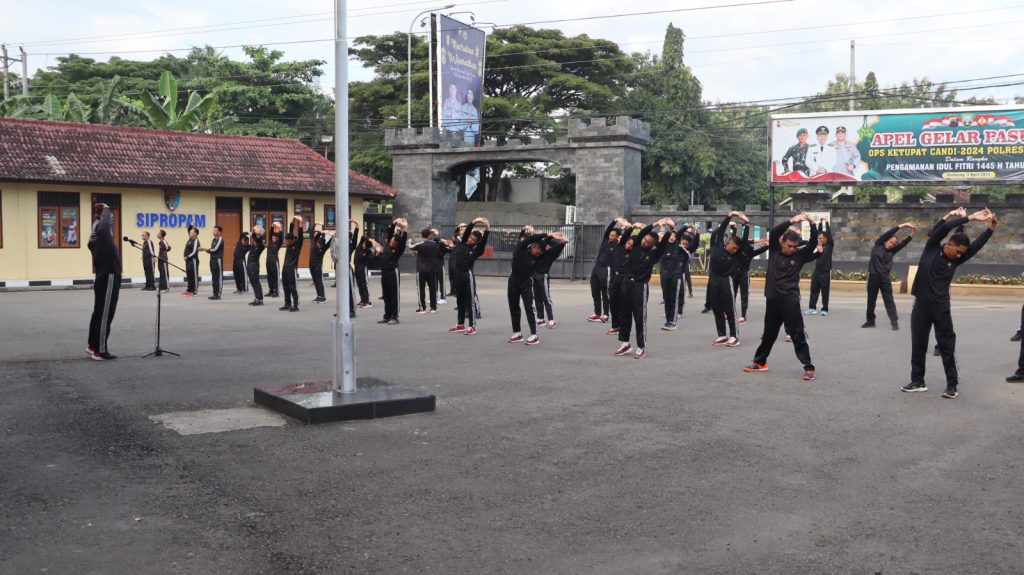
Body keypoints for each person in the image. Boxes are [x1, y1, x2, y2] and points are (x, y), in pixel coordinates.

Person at [902, 208, 996, 398]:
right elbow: (945, 227)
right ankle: (918, 381)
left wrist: (990, 229)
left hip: (941, 308)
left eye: (963, 253)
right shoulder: (932, 247)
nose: (960, 255)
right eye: (959, 251)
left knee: (947, 346)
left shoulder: (956, 260)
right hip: (920, 305)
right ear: (950, 244)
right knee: (918, 345)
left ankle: (952, 385)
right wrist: (969, 218)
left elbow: (976, 246)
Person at [743, 213, 821, 380]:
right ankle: (760, 362)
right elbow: (776, 231)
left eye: (795, 246)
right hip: (772, 300)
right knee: (769, 333)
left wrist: (813, 224)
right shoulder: (774, 250)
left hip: (790, 300)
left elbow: (813, 243)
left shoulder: (799, 256)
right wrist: (791, 221)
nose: (792, 249)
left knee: (797, 334)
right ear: (782, 242)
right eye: (790, 245)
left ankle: (808, 366)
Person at [613, 218, 673, 359]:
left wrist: (670, 230)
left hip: (640, 287)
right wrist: (656, 224)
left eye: (648, 242)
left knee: (640, 317)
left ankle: (641, 347)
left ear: (653, 244)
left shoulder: (653, 255)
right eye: (644, 239)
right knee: (624, 315)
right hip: (626, 283)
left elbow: (663, 244)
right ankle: (625, 343)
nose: (644, 242)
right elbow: (642, 232)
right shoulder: (636, 247)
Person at [506, 226, 555, 345]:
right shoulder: (521, 248)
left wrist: (559, 241)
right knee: (514, 308)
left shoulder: (537, 256)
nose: (538, 255)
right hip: (513, 282)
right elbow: (530, 239)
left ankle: (534, 335)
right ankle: (517, 333)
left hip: (526, 283)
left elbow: (551, 253)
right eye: (538, 252)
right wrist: (546, 234)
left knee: (529, 309)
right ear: (534, 247)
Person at [864, 221, 916, 330]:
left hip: (885, 279)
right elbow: (889, 232)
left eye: (893, 244)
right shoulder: (878, 244)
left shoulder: (892, 251)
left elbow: (903, 244)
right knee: (871, 300)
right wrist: (903, 225)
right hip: (873, 276)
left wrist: (911, 235)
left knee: (889, 300)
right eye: (890, 242)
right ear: (886, 240)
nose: (891, 244)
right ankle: (870, 321)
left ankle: (894, 322)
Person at [707, 212, 748, 347]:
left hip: (726, 281)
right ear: (728, 242)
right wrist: (730, 216)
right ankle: (722, 335)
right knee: (717, 308)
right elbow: (722, 229)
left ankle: (734, 336)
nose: (735, 250)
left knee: (729, 309)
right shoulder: (717, 245)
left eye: (737, 249)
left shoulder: (736, 256)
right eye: (734, 247)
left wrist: (746, 225)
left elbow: (744, 242)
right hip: (713, 280)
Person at [87, 203, 121, 360]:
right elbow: (104, 226)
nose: (110, 230)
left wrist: (99, 215)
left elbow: (102, 226)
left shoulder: (95, 241)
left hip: (103, 277)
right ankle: (100, 350)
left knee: (99, 313)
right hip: (109, 277)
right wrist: (107, 209)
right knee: (105, 314)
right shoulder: (103, 238)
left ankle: (93, 346)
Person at [448, 218, 489, 334]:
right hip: (458, 276)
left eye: (474, 240)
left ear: (476, 242)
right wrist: (474, 221)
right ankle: (460, 324)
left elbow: (483, 242)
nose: (471, 240)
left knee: (469, 301)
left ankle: (472, 326)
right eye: (470, 238)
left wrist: (487, 229)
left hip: (467, 276)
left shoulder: (476, 251)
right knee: (459, 301)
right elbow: (466, 232)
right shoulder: (462, 243)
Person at [587, 219, 625, 323]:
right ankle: (597, 313)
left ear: (617, 237)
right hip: (597, 268)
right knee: (595, 291)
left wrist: (624, 227)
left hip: (606, 269)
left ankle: (606, 314)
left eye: (613, 235)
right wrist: (615, 221)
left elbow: (624, 240)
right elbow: (608, 230)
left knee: (605, 292)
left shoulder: (618, 245)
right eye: (610, 235)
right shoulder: (605, 240)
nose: (610, 236)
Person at [378, 217, 408, 325]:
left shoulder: (398, 250)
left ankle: (394, 316)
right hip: (384, 272)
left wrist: (405, 228)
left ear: (397, 244)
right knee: (386, 295)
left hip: (392, 272)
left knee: (393, 295)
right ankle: (387, 315)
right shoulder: (387, 245)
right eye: (391, 241)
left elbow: (403, 241)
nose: (391, 242)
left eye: (393, 242)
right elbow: (390, 232)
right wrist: (394, 223)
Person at [534, 232, 568, 329]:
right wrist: (551, 235)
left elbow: (559, 247)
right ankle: (540, 318)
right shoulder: (540, 251)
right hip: (534, 276)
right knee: (537, 298)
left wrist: (563, 242)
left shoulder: (552, 254)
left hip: (542, 276)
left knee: (546, 298)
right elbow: (544, 241)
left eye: (548, 246)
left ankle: (551, 320)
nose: (547, 247)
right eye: (546, 246)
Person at [658, 228, 689, 331]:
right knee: (667, 299)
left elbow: (687, 255)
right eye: (670, 235)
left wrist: (681, 264)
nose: (672, 237)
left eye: (674, 236)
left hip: (676, 275)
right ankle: (668, 320)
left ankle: (673, 322)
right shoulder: (662, 247)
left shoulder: (679, 247)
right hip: (664, 276)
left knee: (674, 298)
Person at [805, 220, 834, 316]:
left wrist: (826, 224)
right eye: (819, 239)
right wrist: (820, 224)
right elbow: (819, 233)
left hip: (825, 273)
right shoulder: (819, 246)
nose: (820, 240)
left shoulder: (829, 246)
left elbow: (829, 235)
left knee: (825, 292)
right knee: (813, 290)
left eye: (821, 238)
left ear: (826, 239)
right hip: (816, 272)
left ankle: (824, 309)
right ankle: (812, 308)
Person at [411, 228, 440, 314]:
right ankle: (433, 307)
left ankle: (422, 308)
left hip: (421, 269)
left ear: (421, 235)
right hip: (431, 269)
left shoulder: (419, 245)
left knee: (421, 289)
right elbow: (437, 241)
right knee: (433, 288)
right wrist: (436, 234)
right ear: (429, 235)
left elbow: (411, 247)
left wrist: (409, 242)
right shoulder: (434, 244)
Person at [280, 216, 304, 312]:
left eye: (287, 240)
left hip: (292, 268)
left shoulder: (297, 244)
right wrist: (293, 220)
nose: (286, 242)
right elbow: (291, 230)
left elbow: (301, 235)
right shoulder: (289, 245)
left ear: (292, 240)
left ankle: (295, 305)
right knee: (285, 286)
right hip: (285, 268)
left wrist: (301, 223)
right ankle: (287, 303)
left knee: (292, 287)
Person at [308, 222, 333, 304]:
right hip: (311, 265)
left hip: (318, 266)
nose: (319, 245)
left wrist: (331, 235)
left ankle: (322, 297)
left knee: (319, 281)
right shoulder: (313, 242)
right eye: (319, 243)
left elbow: (329, 242)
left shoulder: (323, 248)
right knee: (315, 281)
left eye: (320, 244)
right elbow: (311, 232)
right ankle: (319, 296)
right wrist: (315, 224)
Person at [353, 231, 376, 308]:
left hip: (363, 267)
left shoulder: (368, 250)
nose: (364, 244)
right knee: (359, 284)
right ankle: (363, 299)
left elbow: (372, 258)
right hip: (357, 267)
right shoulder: (359, 247)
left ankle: (367, 301)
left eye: (365, 242)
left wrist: (374, 252)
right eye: (363, 241)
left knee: (363, 284)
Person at [202, 225, 225, 300]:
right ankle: (214, 293)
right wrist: (207, 250)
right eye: (213, 230)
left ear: (219, 232)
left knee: (218, 277)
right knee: (214, 277)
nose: (213, 231)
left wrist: (205, 249)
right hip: (212, 260)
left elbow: (214, 249)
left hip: (217, 260)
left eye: (215, 230)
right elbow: (212, 250)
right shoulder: (214, 239)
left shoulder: (220, 239)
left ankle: (218, 294)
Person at [247, 224, 266, 306]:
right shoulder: (253, 244)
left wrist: (257, 232)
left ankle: (260, 299)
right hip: (250, 264)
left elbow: (258, 238)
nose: (253, 240)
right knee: (252, 282)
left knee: (256, 282)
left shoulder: (260, 245)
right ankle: (257, 298)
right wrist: (254, 231)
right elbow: (254, 237)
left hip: (254, 265)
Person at [265, 221, 283, 298]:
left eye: (275, 238)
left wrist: (280, 229)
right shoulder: (270, 242)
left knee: (275, 276)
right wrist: (272, 226)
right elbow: (270, 234)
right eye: (273, 237)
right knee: (269, 276)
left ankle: (276, 291)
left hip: (274, 262)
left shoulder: (278, 244)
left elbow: (281, 238)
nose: (274, 239)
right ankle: (271, 290)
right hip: (268, 261)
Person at [182, 225, 201, 296]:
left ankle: (194, 291)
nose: (190, 233)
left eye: (191, 232)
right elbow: (188, 230)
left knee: (194, 276)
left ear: (195, 233)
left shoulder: (196, 241)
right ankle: (189, 289)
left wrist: (187, 256)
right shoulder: (190, 239)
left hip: (193, 260)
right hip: (188, 261)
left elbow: (194, 251)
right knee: (189, 275)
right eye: (190, 232)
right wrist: (191, 225)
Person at [431, 228, 448, 305]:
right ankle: (434, 297)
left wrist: (437, 234)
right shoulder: (433, 244)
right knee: (434, 282)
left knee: (442, 282)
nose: (434, 236)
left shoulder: (442, 244)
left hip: (440, 265)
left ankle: (443, 298)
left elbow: (438, 240)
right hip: (433, 265)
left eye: (436, 235)